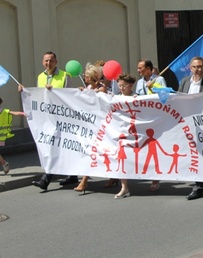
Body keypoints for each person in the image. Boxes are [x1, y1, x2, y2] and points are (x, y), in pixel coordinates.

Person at [21, 52, 77, 191]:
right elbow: (38, 96)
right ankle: (73, 176)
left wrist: (54, 92)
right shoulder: (41, 77)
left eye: (51, 61)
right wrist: (24, 91)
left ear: (56, 62)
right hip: (47, 117)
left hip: (62, 118)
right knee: (55, 146)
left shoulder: (65, 76)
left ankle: (46, 180)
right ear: (42, 62)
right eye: (46, 61)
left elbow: (71, 96)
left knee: (57, 146)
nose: (48, 63)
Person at [178, 57, 203, 201]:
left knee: (201, 153)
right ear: (190, 68)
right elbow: (178, 98)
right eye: (196, 67)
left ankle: (199, 186)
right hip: (187, 122)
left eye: (201, 67)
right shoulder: (184, 82)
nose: (199, 69)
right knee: (191, 153)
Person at [73, 62, 109, 193]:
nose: (84, 78)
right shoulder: (88, 87)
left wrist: (90, 93)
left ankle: (84, 181)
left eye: (86, 76)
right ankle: (112, 177)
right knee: (91, 152)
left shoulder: (102, 88)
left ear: (92, 77)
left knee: (96, 152)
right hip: (88, 125)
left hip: (100, 126)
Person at [135, 59, 166, 191]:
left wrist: (152, 89)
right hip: (143, 118)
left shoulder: (159, 79)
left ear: (149, 69)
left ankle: (155, 178)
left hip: (156, 117)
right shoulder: (139, 82)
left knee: (155, 150)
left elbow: (165, 96)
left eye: (140, 68)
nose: (138, 70)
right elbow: (138, 96)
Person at [113, 73, 138, 199]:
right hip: (121, 133)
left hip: (136, 132)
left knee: (142, 156)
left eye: (124, 85)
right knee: (122, 159)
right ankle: (124, 187)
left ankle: (154, 180)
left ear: (131, 85)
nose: (121, 88)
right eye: (120, 85)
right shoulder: (115, 98)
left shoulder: (137, 97)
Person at [0, 96, 26, 174]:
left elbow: (14, 113)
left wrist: (22, 113)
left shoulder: (4, 111)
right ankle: (4, 164)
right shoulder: (4, 111)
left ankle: (4, 163)